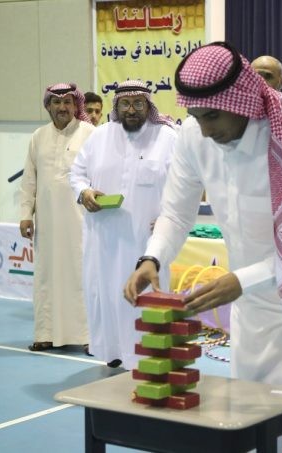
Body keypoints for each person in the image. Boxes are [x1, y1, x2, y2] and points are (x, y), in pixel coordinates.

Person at [123, 42, 282, 452]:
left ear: (240, 99)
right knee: (255, 425)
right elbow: (175, 214)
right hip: (249, 311)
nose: (206, 130)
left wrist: (241, 280)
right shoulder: (194, 136)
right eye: (196, 117)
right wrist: (152, 257)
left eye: (212, 116)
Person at [69, 80, 177, 369]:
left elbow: (185, 184)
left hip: (146, 241)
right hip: (104, 238)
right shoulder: (100, 136)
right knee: (106, 294)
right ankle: (113, 353)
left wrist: (169, 215)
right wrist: (84, 192)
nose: (131, 110)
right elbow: (76, 174)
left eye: (138, 103)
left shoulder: (167, 138)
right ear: (116, 106)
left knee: (145, 298)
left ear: (148, 105)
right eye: (125, 104)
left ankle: (146, 357)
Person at [19, 82, 94, 352]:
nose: (62, 107)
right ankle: (46, 333)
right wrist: (25, 214)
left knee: (81, 274)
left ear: (75, 105)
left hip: (81, 221)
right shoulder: (38, 137)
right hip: (48, 222)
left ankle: (88, 336)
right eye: (57, 102)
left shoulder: (90, 133)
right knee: (46, 276)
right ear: (48, 106)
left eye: (67, 102)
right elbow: (29, 180)